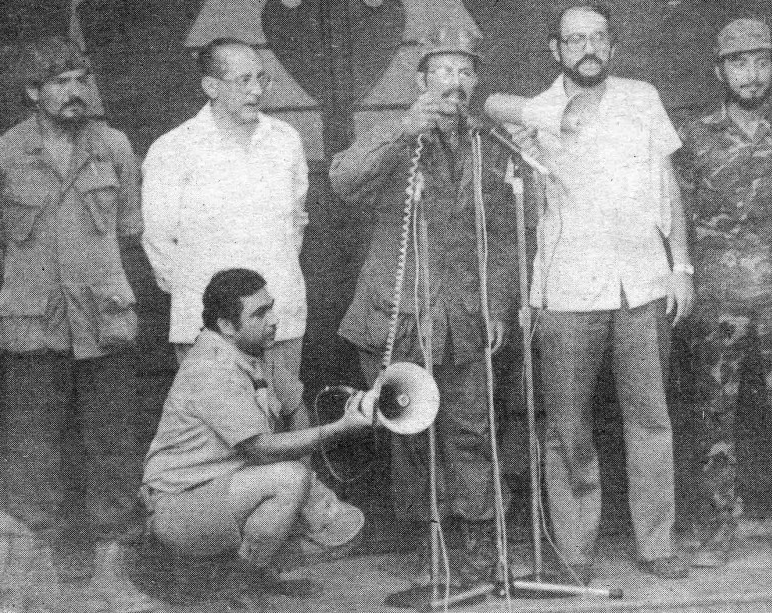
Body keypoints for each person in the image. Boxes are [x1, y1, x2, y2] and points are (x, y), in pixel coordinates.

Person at [328, 27, 516, 587]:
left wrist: (498, 305)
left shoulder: (487, 142)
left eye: (465, 71)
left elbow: (504, 236)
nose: (454, 82)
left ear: (476, 81)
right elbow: (342, 179)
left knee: (471, 432)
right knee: (410, 437)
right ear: (421, 79)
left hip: (465, 319)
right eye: (442, 71)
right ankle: (427, 547)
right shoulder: (396, 136)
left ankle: (477, 545)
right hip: (399, 315)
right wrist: (403, 128)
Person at [516, 1, 694, 582]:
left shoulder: (642, 98)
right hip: (567, 288)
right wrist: (531, 296)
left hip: (642, 283)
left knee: (650, 416)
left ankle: (657, 544)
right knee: (568, 423)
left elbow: (667, 187)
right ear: (556, 50)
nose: (588, 49)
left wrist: (682, 267)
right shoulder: (534, 112)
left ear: (612, 46)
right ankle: (574, 551)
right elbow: (527, 206)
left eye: (597, 38)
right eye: (575, 40)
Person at [0, 36, 154, 611]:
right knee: (35, 449)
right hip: (32, 326)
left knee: (112, 444)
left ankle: (114, 572)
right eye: (60, 81)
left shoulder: (114, 147)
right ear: (34, 92)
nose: (75, 91)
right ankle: (38, 573)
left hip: (104, 324)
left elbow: (131, 232)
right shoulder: (2, 156)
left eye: (81, 79)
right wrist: (31, 286)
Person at [676, 18, 772, 567]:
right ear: (720, 70)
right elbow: (681, 212)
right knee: (713, 408)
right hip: (718, 287)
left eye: (761, 61)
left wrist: (770, 252)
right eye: (739, 62)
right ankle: (716, 526)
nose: (752, 73)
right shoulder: (694, 134)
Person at [140, 268, 369, 606]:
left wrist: (309, 478)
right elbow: (260, 448)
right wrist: (338, 430)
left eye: (271, 308)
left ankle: (248, 571)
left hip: (234, 488)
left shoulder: (256, 350)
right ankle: (235, 585)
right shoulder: (210, 367)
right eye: (260, 313)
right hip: (179, 507)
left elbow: (294, 405)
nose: (273, 320)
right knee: (289, 482)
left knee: (346, 530)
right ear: (226, 325)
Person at [142, 37, 309, 414]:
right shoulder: (172, 149)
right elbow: (159, 243)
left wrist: (272, 281)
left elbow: (294, 224)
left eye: (262, 79)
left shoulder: (285, 141)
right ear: (211, 87)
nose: (256, 90)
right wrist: (207, 302)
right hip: (209, 331)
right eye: (244, 80)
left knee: (285, 419)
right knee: (220, 432)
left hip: (279, 318)